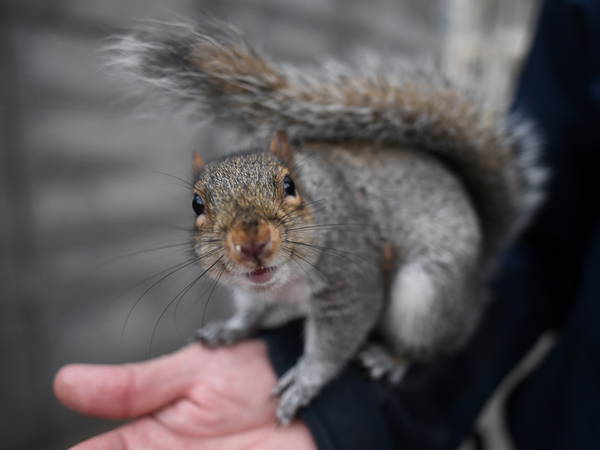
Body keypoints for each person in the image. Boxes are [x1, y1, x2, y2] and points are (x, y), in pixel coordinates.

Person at [54, 0, 600, 448]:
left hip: (433, 256)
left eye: (281, 198)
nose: (249, 241)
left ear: (296, 187)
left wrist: (316, 374)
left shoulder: (325, 229)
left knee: (413, 299)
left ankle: (406, 349)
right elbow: (545, 253)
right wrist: (249, 327)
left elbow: (350, 296)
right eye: (206, 213)